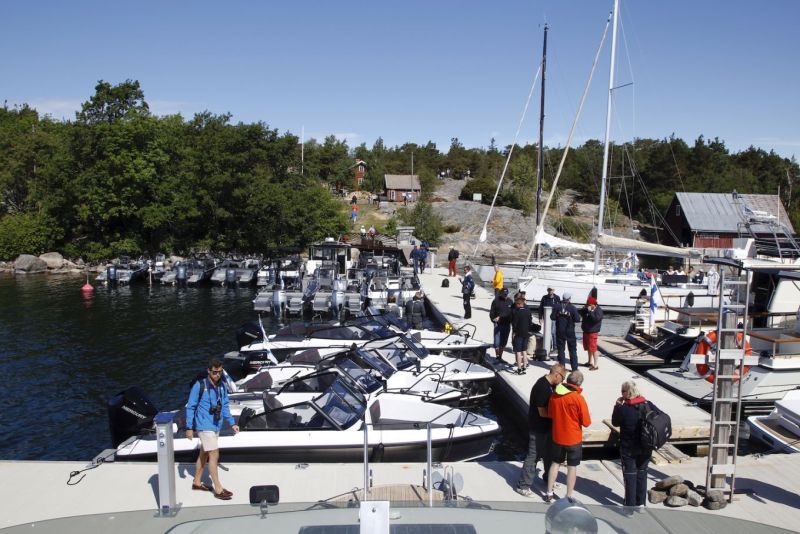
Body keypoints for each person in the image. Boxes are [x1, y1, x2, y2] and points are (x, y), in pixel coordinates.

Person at [186, 357, 240, 500]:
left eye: (220, 372)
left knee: (204, 453)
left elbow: (225, 406)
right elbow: (190, 407)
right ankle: (218, 489)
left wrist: (232, 423)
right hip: (204, 426)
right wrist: (189, 427)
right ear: (208, 371)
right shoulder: (199, 385)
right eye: (215, 372)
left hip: (216, 424)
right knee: (214, 455)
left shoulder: (222, 386)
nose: (217, 375)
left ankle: (197, 482)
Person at [515, 363, 566, 497]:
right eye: (563, 378)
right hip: (538, 427)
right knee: (534, 456)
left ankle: (549, 478)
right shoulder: (542, 387)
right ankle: (523, 485)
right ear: (556, 375)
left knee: (549, 454)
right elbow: (542, 412)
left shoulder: (552, 386)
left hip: (548, 428)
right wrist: (558, 415)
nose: (562, 381)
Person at [545, 370, 591, 503]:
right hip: (573, 438)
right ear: (579, 383)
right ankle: (568, 495)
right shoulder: (578, 398)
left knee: (555, 464)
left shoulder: (555, 395)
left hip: (558, 436)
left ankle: (549, 492)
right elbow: (587, 422)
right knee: (572, 467)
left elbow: (551, 413)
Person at [612, 380, 657, 507]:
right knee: (642, 473)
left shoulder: (623, 408)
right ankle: (641, 503)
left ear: (628, 392)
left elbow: (615, 422)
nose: (621, 393)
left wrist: (617, 405)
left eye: (622, 391)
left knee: (630, 475)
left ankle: (630, 506)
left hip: (629, 448)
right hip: (646, 446)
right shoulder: (648, 405)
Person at [551, 293, 581, 372]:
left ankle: (562, 367)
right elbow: (578, 319)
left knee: (561, 350)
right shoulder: (572, 308)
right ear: (569, 299)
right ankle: (574, 368)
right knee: (572, 350)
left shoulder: (557, 306)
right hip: (570, 331)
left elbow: (552, 317)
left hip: (560, 331)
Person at [580, 296, 603, 370]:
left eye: (589, 305)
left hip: (593, 331)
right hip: (586, 330)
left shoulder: (598, 310)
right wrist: (584, 309)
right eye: (587, 305)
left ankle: (595, 365)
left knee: (593, 348)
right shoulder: (587, 308)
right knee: (588, 347)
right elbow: (580, 313)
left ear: (594, 304)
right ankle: (589, 362)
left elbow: (595, 319)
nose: (588, 306)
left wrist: (590, 312)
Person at [511, 296, 533, 374]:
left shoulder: (517, 312)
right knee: (524, 351)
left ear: (519, 304)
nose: (516, 305)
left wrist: (514, 332)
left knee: (518, 351)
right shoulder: (528, 311)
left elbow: (514, 324)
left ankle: (519, 368)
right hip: (526, 333)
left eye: (517, 304)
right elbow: (530, 322)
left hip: (519, 334)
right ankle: (524, 366)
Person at [489, 288, 513, 360]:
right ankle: (497, 356)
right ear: (501, 293)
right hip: (498, 324)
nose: (505, 296)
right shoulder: (496, 301)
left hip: (507, 324)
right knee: (496, 342)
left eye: (506, 294)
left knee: (503, 342)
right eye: (504, 294)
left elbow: (512, 313)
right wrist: (493, 319)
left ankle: (500, 356)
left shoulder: (510, 301)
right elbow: (491, 312)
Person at [539, 287, 561, 354]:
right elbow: (540, 308)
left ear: (553, 290)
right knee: (547, 333)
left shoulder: (557, 297)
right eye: (549, 290)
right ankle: (548, 346)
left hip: (554, 318)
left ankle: (555, 347)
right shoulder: (544, 297)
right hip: (546, 318)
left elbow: (559, 308)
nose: (550, 291)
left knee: (553, 333)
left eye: (551, 290)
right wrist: (540, 317)